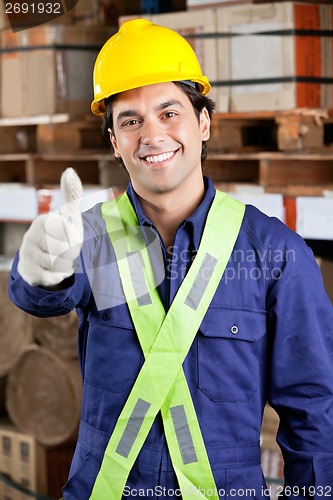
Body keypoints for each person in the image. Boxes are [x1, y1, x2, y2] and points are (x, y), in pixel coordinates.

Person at [8, 18, 333, 500]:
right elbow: (42, 296)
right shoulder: (92, 236)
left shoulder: (276, 254)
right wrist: (40, 269)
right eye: (131, 120)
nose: (152, 135)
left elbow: (313, 410)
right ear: (116, 142)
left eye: (169, 113)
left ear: (203, 123)